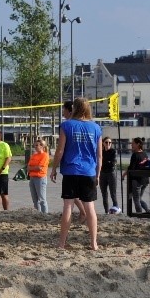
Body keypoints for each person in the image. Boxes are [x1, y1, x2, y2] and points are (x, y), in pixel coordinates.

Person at [50, 98, 102, 250]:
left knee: (68, 207)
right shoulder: (96, 128)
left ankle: (61, 243)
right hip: (88, 171)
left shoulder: (67, 125)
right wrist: (98, 173)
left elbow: (60, 150)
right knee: (90, 208)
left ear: (75, 109)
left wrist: (53, 168)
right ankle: (93, 243)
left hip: (71, 170)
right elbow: (99, 156)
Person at [62, 101, 87, 222]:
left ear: (68, 110)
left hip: (73, 165)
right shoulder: (70, 124)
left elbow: (61, 149)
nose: (62, 112)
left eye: (63, 109)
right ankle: (84, 213)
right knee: (77, 196)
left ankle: (83, 213)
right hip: (85, 167)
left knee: (71, 197)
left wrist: (55, 166)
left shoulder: (68, 125)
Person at [122, 137, 149, 213]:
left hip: (137, 180)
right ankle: (147, 210)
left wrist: (124, 175)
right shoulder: (145, 154)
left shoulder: (135, 155)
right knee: (139, 199)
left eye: (133, 143)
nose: (131, 145)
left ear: (138, 144)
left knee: (136, 199)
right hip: (145, 180)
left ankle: (139, 214)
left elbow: (131, 168)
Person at [27, 138, 49, 213]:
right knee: (35, 199)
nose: (35, 147)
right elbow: (28, 167)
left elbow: (39, 168)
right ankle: (38, 213)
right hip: (32, 178)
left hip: (40, 178)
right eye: (35, 145)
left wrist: (32, 168)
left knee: (42, 199)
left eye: (37, 145)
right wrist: (33, 168)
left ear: (42, 146)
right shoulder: (33, 155)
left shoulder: (45, 155)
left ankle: (45, 214)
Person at [99, 137, 120, 214]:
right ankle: (106, 212)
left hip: (111, 173)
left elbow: (112, 163)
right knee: (104, 194)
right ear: (103, 143)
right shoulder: (101, 152)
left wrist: (105, 162)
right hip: (102, 174)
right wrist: (106, 162)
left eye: (110, 143)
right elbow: (99, 162)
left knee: (113, 193)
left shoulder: (113, 151)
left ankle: (116, 210)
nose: (108, 144)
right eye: (106, 142)